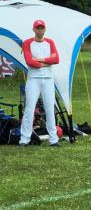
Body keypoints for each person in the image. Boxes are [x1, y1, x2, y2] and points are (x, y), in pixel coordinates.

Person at [20, 19, 60, 147]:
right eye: (38, 28)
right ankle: (24, 139)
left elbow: (56, 59)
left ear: (45, 29)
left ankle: (53, 139)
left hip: (48, 79)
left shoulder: (50, 42)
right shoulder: (27, 43)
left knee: (49, 109)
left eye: (42, 28)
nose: (40, 30)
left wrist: (40, 60)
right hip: (33, 79)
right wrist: (47, 62)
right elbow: (30, 61)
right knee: (29, 109)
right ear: (34, 29)